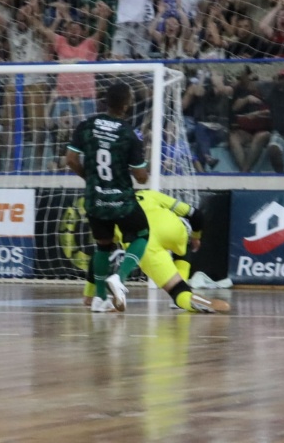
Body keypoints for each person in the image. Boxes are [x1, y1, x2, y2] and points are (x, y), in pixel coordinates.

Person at [66, 81, 149, 312]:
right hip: (121, 200)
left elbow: (70, 160)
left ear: (106, 102)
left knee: (103, 245)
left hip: (95, 198)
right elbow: (141, 177)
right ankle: (120, 278)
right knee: (142, 235)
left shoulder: (86, 125)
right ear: (126, 105)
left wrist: (90, 179)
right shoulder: (129, 133)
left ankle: (100, 298)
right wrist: (143, 172)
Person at [83, 190, 230, 314]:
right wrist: (196, 237)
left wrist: (89, 294)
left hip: (144, 244)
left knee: (177, 290)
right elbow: (196, 215)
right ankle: (184, 285)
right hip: (171, 228)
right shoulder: (149, 194)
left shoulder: (111, 210)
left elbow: (99, 255)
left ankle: (185, 296)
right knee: (185, 244)